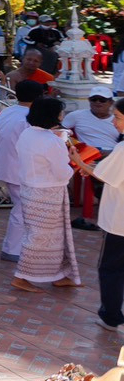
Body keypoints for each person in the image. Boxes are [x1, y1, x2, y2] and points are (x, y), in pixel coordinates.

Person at [12, 96, 86, 293]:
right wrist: (75, 163)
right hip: (48, 193)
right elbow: (62, 172)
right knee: (40, 237)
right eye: (60, 112)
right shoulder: (51, 141)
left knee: (47, 235)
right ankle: (21, 276)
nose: (62, 115)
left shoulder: (27, 134)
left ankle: (59, 274)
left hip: (30, 190)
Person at [0, 79, 43, 263]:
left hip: (6, 165)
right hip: (19, 168)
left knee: (23, 207)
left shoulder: (8, 111)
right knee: (22, 209)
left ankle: (20, 246)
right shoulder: (30, 117)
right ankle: (12, 249)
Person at [86, 98, 124, 331]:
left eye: (118, 117)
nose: (114, 122)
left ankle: (111, 315)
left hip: (119, 221)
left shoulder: (122, 149)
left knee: (111, 267)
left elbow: (103, 175)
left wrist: (79, 161)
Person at [64, 85, 120, 232]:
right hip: (89, 154)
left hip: (114, 154)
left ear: (110, 102)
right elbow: (61, 131)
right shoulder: (77, 115)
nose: (98, 102)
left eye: (102, 100)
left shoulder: (118, 120)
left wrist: (109, 153)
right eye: (94, 99)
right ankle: (101, 212)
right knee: (99, 169)